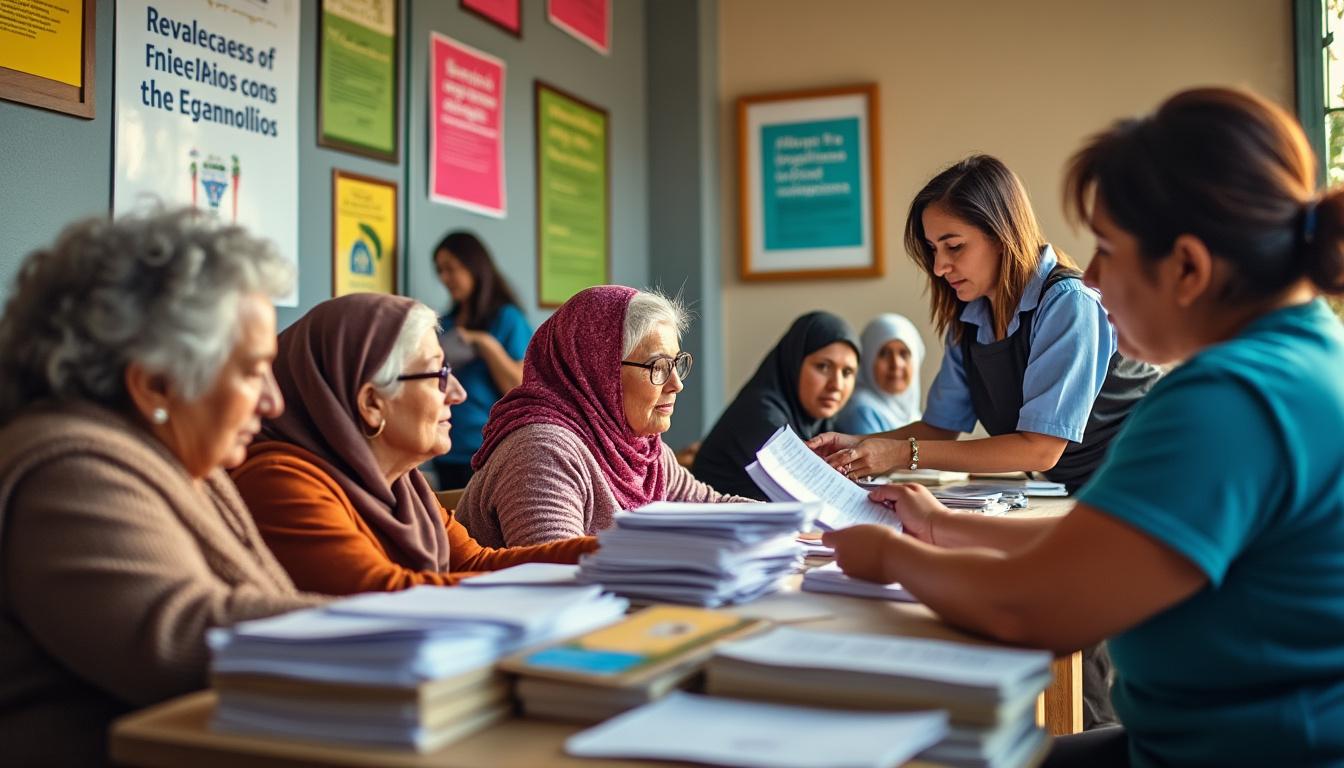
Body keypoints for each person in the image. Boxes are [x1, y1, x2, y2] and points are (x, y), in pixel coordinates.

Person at [824, 87, 1344, 767]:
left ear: (1187, 266)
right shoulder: (1303, 356)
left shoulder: (1229, 401)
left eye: (1106, 248)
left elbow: (1031, 609)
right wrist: (940, 525)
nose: (1091, 276)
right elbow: (1109, 532)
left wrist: (893, 556)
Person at [0, 210, 324, 766]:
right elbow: (183, 638)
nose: (274, 401)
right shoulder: (69, 470)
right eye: (252, 371)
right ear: (153, 383)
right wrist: (417, 631)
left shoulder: (179, 461)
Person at [809, 155, 1161, 493]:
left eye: (955, 247)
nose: (939, 266)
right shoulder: (968, 321)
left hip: (1151, 481)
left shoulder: (1069, 302)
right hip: (1083, 490)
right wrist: (856, 447)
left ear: (1001, 236)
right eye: (933, 249)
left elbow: (1040, 449)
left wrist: (902, 454)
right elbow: (940, 428)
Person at [231, 293, 597, 594]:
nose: (457, 392)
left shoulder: (401, 482)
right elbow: (388, 594)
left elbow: (475, 564)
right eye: (437, 374)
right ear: (372, 403)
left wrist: (615, 552)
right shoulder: (279, 482)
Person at [455, 285, 750, 547]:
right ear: (600, 371)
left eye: (676, 363)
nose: (677, 384)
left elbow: (712, 506)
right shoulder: (542, 452)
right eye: (658, 366)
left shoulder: (642, 450)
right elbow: (559, 575)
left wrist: (793, 521)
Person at [692, 312, 860, 500]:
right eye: (823, 367)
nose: (836, 384)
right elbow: (817, 497)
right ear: (793, 363)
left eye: (847, 372)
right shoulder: (760, 417)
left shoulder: (821, 424)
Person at [429, 231, 531, 489]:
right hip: (445, 448)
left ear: (474, 266)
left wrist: (485, 345)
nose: (445, 278)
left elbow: (519, 387)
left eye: (451, 269)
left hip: (486, 450)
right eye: (440, 270)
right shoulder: (445, 323)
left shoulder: (507, 319)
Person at [834, 313, 926, 434]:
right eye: (885, 354)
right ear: (866, 359)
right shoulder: (861, 412)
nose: (896, 364)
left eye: (904, 354)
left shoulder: (912, 414)